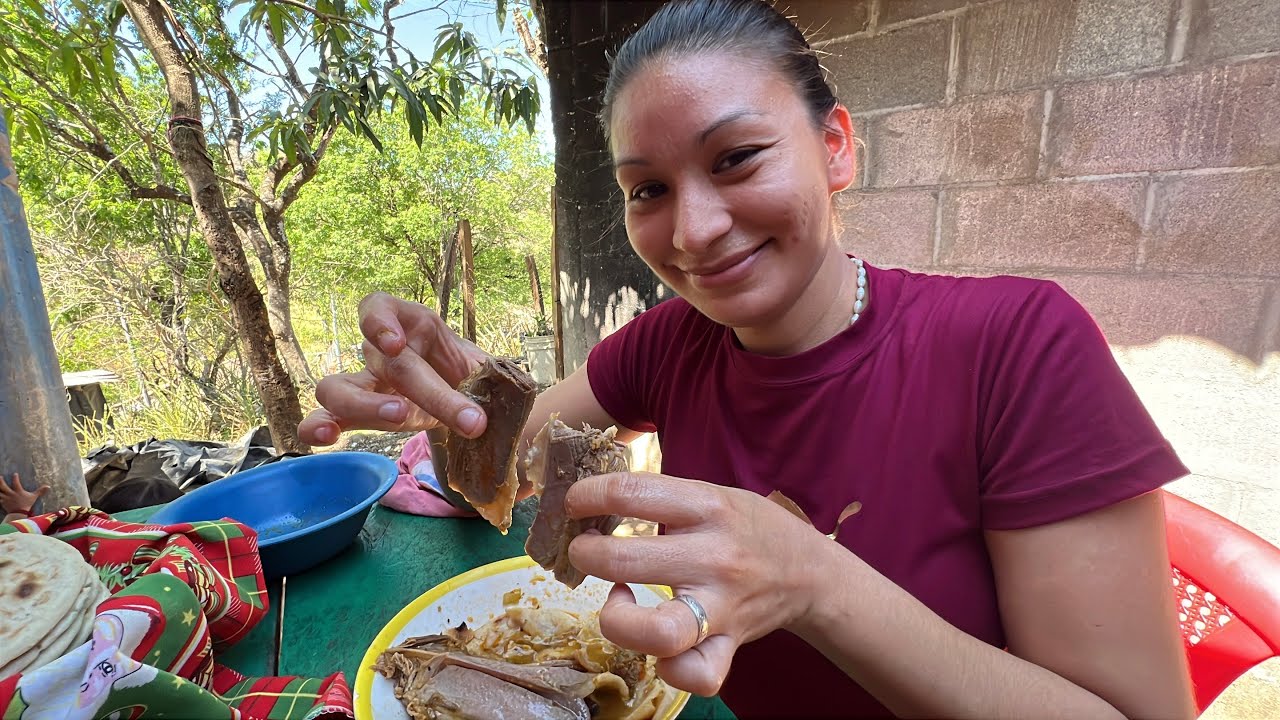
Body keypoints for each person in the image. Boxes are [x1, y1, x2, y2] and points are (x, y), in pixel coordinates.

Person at [299, 0, 1196, 716]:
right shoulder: (671, 342)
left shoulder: (1019, 345)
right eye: (648, 188)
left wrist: (813, 580)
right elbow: (508, 467)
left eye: (736, 158)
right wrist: (454, 406)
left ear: (835, 148)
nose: (692, 231)